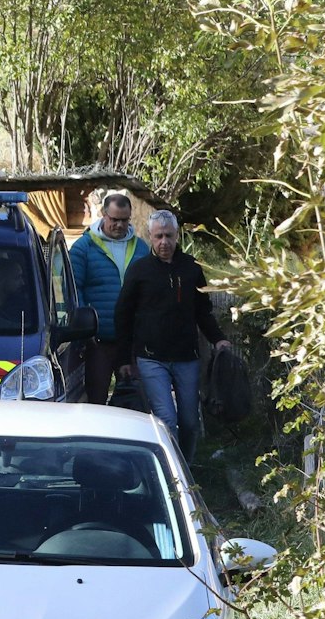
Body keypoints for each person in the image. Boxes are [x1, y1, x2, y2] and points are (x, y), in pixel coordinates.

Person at [114, 211, 230, 461]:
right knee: (166, 419)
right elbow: (123, 315)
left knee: (189, 422)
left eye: (168, 236)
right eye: (158, 237)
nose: (164, 242)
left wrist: (218, 338)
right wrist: (123, 359)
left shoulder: (191, 268)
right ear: (150, 237)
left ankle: (186, 467)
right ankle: (171, 473)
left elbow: (203, 310)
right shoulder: (139, 271)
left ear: (177, 236)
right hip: (151, 358)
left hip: (186, 356)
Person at [69, 193, 151, 404]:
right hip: (98, 341)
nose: (119, 225)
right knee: (96, 401)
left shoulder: (141, 248)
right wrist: (85, 330)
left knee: (137, 401)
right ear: (103, 214)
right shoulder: (83, 248)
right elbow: (73, 290)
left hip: (133, 341)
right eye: (114, 219)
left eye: (124, 220)